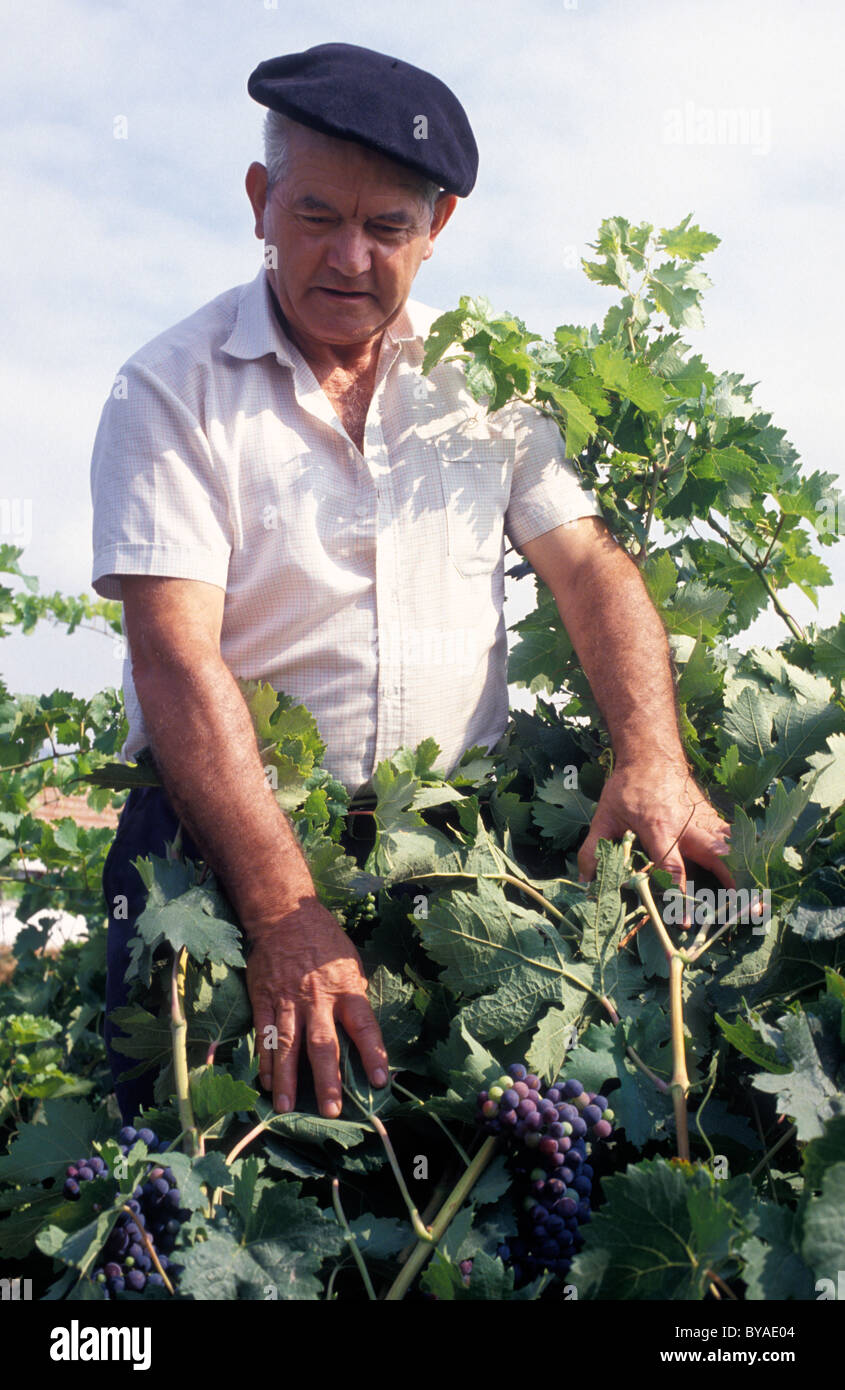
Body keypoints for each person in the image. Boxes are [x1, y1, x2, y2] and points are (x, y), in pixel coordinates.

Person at [90, 42, 733, 1126]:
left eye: (387, 227)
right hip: (216, 857)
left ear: (436, 233)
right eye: (315, 215)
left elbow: (586, 568)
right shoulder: (169, 387)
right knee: (205, 1179)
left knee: (453, 1198)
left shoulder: (484, 385)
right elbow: (174, 656)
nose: (349, 256)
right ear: (259, 202)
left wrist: (652, 757)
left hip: (448, 861)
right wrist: (286, 910)